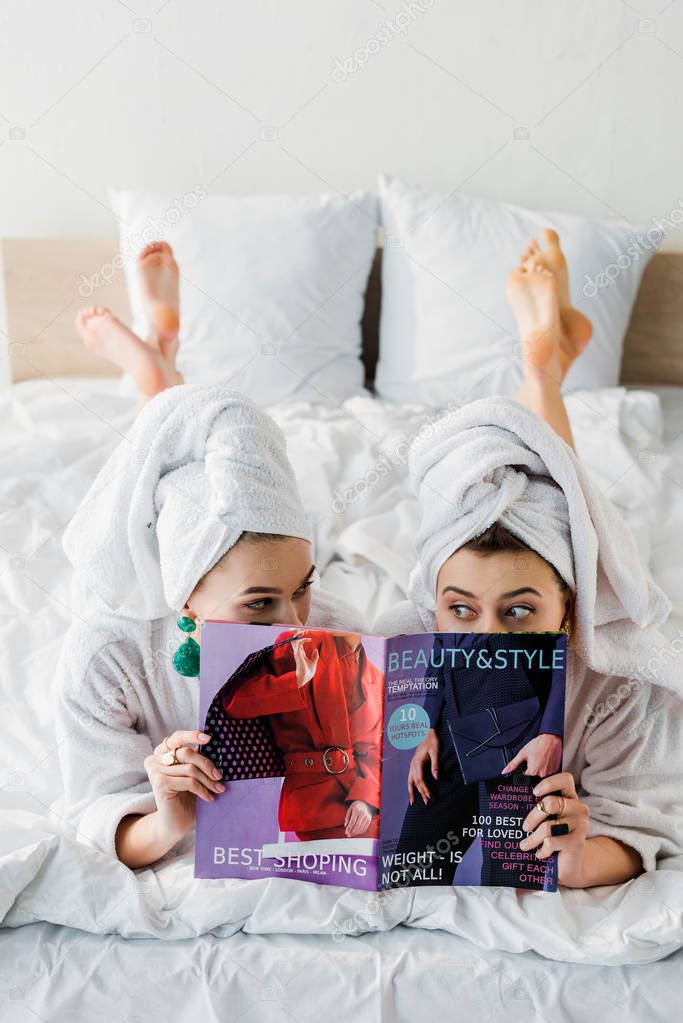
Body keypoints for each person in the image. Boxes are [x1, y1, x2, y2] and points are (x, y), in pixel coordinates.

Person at [375, 231, 683, 888]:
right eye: (459, 609)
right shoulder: (404, 640)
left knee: (567, 514)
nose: (486, 634)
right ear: (433, 601)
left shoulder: (615, 679)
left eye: (519, 611)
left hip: (563, 615)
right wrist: (422, 730)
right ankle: (543, 363)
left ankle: (544, 361)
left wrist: (575, 856)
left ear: (568, 606)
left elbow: (638, 826)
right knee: (545, 497)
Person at [53, 385, 364, 870]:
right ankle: (153, 376)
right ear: (187, 603)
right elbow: (93, 817)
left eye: (302, 588)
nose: (294, 623)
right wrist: (167, 822)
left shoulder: (338, 630)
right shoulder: (108, 658)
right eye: (259, 603)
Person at [221, 630, 383, 840]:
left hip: (361, 801)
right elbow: (235, 702)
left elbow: (375, 752)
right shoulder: (301, 643)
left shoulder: (375, 676)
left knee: (404, 836)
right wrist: (294, 683)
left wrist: (366, 799)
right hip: (314, 803)